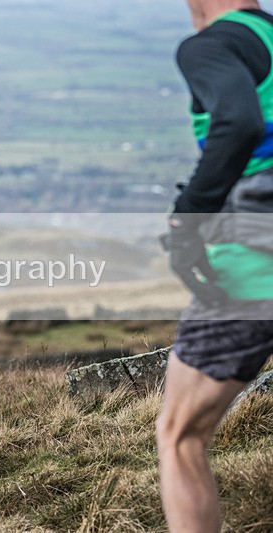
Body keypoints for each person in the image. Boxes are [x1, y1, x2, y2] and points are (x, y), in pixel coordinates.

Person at [157, 2, 273, 531]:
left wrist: (188, 217)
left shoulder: (212, 45)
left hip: (249, 269)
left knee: (179, 435)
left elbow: (238, 121)